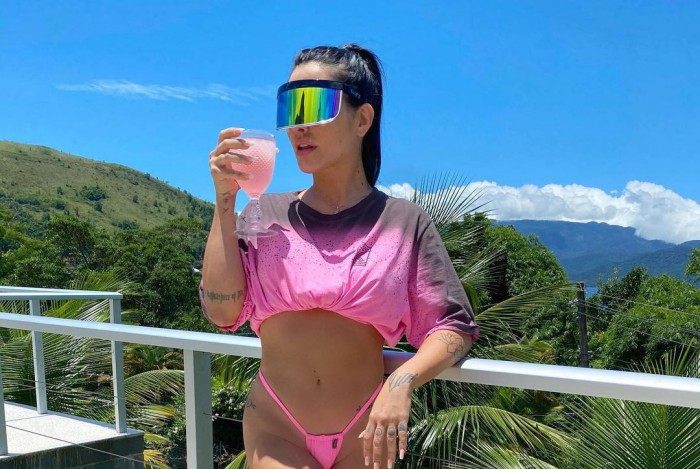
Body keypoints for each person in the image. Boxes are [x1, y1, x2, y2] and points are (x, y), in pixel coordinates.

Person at [199, 43, 480, 469]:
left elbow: (453, 327)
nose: (299, 125)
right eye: (290, 107)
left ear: (362, 119)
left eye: (314, 104)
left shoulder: (402, 222)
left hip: (367, 431)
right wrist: (224, 202)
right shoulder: (264, 213)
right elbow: (222, 312)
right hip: (276, 426)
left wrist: (401, 382)